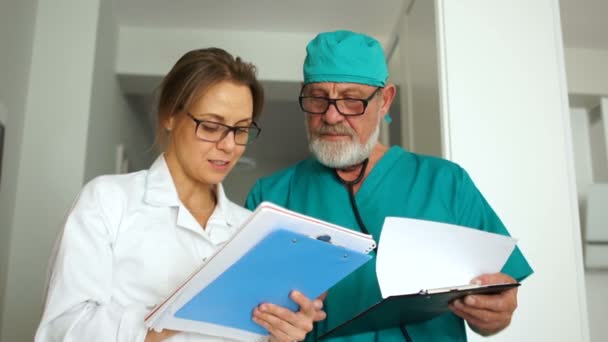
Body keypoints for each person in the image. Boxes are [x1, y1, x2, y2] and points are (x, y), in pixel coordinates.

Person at [245, 30, 533, 341]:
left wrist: (494, 314)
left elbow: (498, 301)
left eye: (352, 100)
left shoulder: (447, 183)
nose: (331, 115)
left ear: (385, 101)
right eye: (317, 98)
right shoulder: (270, 196)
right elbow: (241, 318)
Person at [35, 48, 324, 342]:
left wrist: (280, 335)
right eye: (211, 126)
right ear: (170, 115)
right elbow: (62, 330)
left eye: (241, 130)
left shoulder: (252, 230)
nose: (228, 145)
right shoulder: (108, 200)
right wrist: (175, 313)